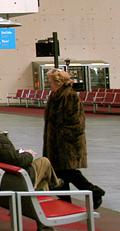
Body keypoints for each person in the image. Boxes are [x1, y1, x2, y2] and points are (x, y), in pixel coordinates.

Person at [0, 102, 66, 231]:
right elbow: (18, 162)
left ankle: (45, 226)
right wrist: (28, 154)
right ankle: (54, 183)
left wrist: (15, 152)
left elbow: (0, 156)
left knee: (42, 184)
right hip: (11, 183)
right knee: (44, 162)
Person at [43, 68, 105, 209]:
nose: (49, 84)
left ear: (59, 82)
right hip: (55, 142)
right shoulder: (55, 95)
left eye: (51, 81)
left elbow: (76, 122)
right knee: (60, 172)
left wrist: (62, 135)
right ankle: (66, 202)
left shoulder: (69, 95)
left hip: (66, 143)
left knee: (69, 172)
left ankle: (95, 192)